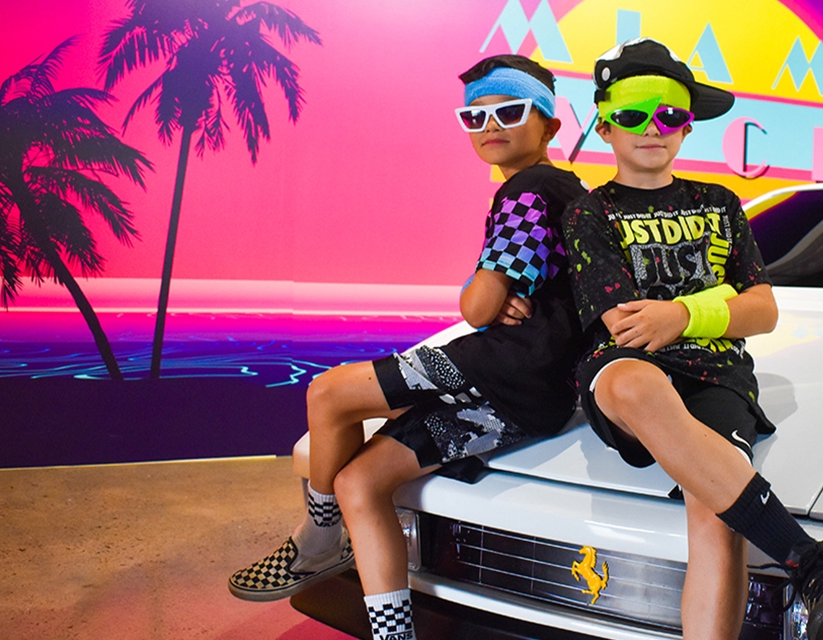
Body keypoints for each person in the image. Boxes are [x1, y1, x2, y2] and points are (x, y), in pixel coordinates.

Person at [228, 54, 588, 640]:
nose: (489, 125)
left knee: (328, 392)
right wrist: (489, 294)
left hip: (504, 368)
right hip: (534, 399)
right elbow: (504, 292)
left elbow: (475, 306)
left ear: (549, 125)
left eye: (510, 110)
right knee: (359, 482)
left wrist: (482, 296)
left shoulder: (532, 189)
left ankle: (317, 539)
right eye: (475, 116)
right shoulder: (565, 190)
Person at [561, 38, 823, 640]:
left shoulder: (720, 203)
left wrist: (680, 316)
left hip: (718, 372)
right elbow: (624, 325)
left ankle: (816, 575)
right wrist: (714, 307)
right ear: (605, 125)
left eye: (669, 115)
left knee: (714, 512)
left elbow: (761, 310)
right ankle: (813, 563)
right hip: (628, 366)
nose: (650, 128)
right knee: (632, 382)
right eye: (632, 114)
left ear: (686, 126)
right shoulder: (588, 213)